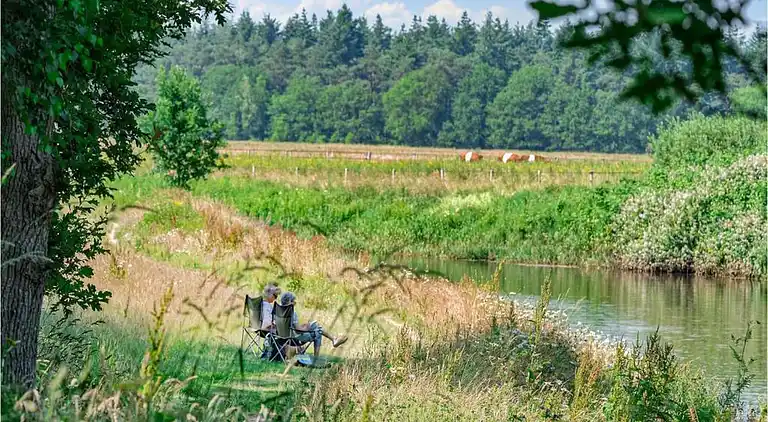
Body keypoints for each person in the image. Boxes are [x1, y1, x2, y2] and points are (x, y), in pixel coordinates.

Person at [278, 291, 347, 365]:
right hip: (294, 337)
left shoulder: (279, 310)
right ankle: (318, 357)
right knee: (318, 331)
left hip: (281, 336)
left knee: (315, 328)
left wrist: (305, 326)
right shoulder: (291, 312)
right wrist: (307, 328)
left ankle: (333, 339)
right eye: (294, 301)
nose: (295, 303)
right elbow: (298, 330)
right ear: (290, 302)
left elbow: (289, 326)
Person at [259, 283, 281, 360]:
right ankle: (277, 355)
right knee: (282, 332)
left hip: (255, 327)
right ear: (270, 295)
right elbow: (267, 324)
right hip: (265, 329)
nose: (275, 298)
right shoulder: (267, 306)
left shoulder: (259, 303)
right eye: (275, 296)